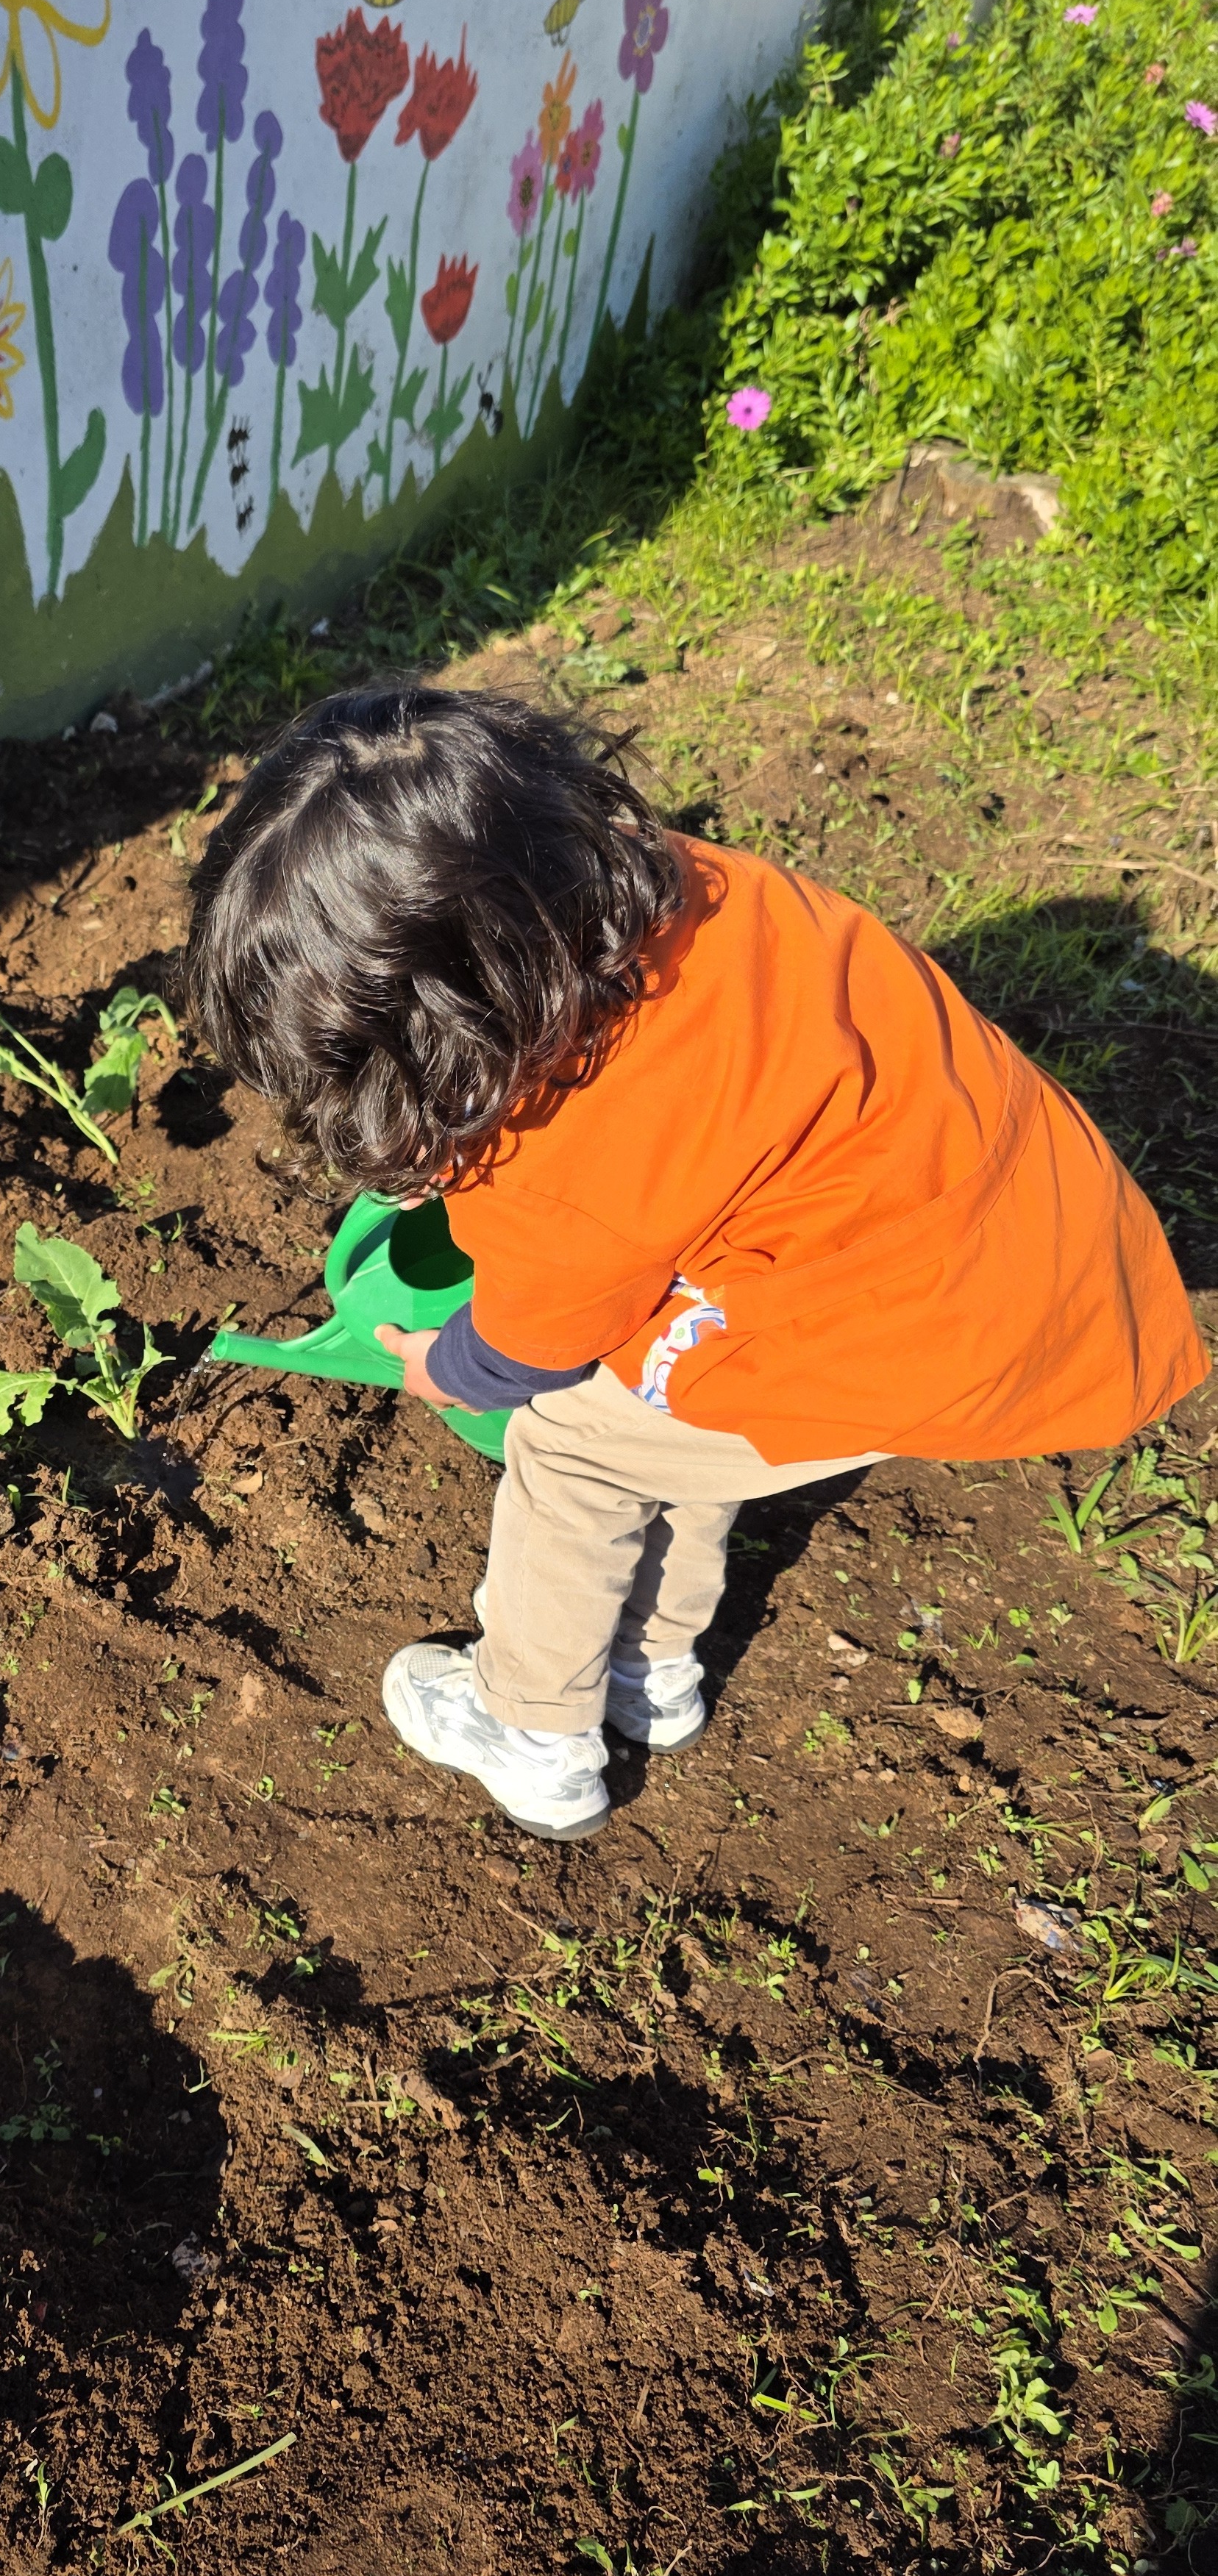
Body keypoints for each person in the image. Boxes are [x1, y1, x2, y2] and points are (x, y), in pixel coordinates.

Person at [182, 684, 1208, 1841]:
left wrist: (445, 1368)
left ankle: (534, 1731)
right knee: (677, 1403)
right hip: (1020, 1219)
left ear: (458, 1047)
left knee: (576, 1443)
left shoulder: (563, 1158)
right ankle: (649, 1667)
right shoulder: (704, 894)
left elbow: (534, 1343)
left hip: (925, 1323)